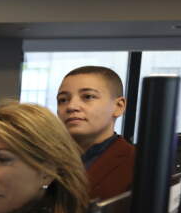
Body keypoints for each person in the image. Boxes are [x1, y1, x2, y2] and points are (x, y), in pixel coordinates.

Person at [56, 65, 135, 200]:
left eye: (88, 96)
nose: (71, 106)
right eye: (63, 100)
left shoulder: (139, 165)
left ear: (119, 106)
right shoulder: (44, 159)